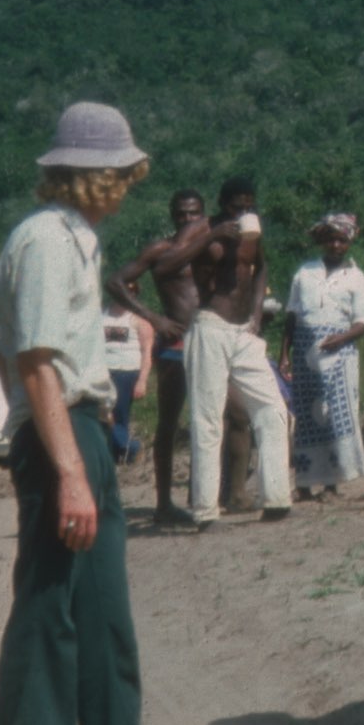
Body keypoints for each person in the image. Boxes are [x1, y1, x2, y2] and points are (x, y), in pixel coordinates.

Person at [0, 101, 214, 725]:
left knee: (105, 621)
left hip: (82, 430)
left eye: (124, 172)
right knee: (52, 618)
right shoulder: (45, 241)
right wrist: (70, 474)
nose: (121, 185)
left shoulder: (76, 242)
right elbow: (35, 363)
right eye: (112, 172)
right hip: (61, 436)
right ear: (79, 176)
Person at [153, 175, 293, 529]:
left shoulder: (251, 231)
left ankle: (275, 497)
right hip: (210, 325)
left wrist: (258, 312)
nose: (244, 211)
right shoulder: (201, 229)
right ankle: (204, 510)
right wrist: (212, 237)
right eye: (237, 206)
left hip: (243, 331)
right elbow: (165, 267)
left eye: (249, 205)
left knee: (273, 410)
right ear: (222, 204)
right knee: (208, 418)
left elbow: (258, 268)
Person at [105, 188, 208, 522]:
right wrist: (154, 318)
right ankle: (164, 503)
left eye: (194, 214)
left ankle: (204, 495)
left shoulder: (210, 249)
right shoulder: (160, 250)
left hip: (209, 341)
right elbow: (116, 281)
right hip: (176, 345)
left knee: (212, 420)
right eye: (181, 214)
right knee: (168, 422)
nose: (188, 220)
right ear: (172, 216)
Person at [283, 212, 364, 499]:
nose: (336, 245)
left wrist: (341, 338)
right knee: (307, 418)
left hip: (340, 356)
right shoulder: (305, 273)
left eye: (342, 240)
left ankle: (332, 483)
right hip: (305, 355)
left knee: (335, 414)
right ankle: (305, 484)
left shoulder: (357, 278)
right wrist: (284, 355)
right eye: (331, 239)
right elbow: (292, 316)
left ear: (349, 242)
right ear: (323, 241)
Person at [100, 295, 153, 464]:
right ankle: (123, 449)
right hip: (102, 371)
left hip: (126, 373)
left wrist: (142, 380)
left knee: (119, 415)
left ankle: (130, 449)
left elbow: (147, 353)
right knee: (102, 413)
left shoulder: (139, 321)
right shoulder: (101, 316)